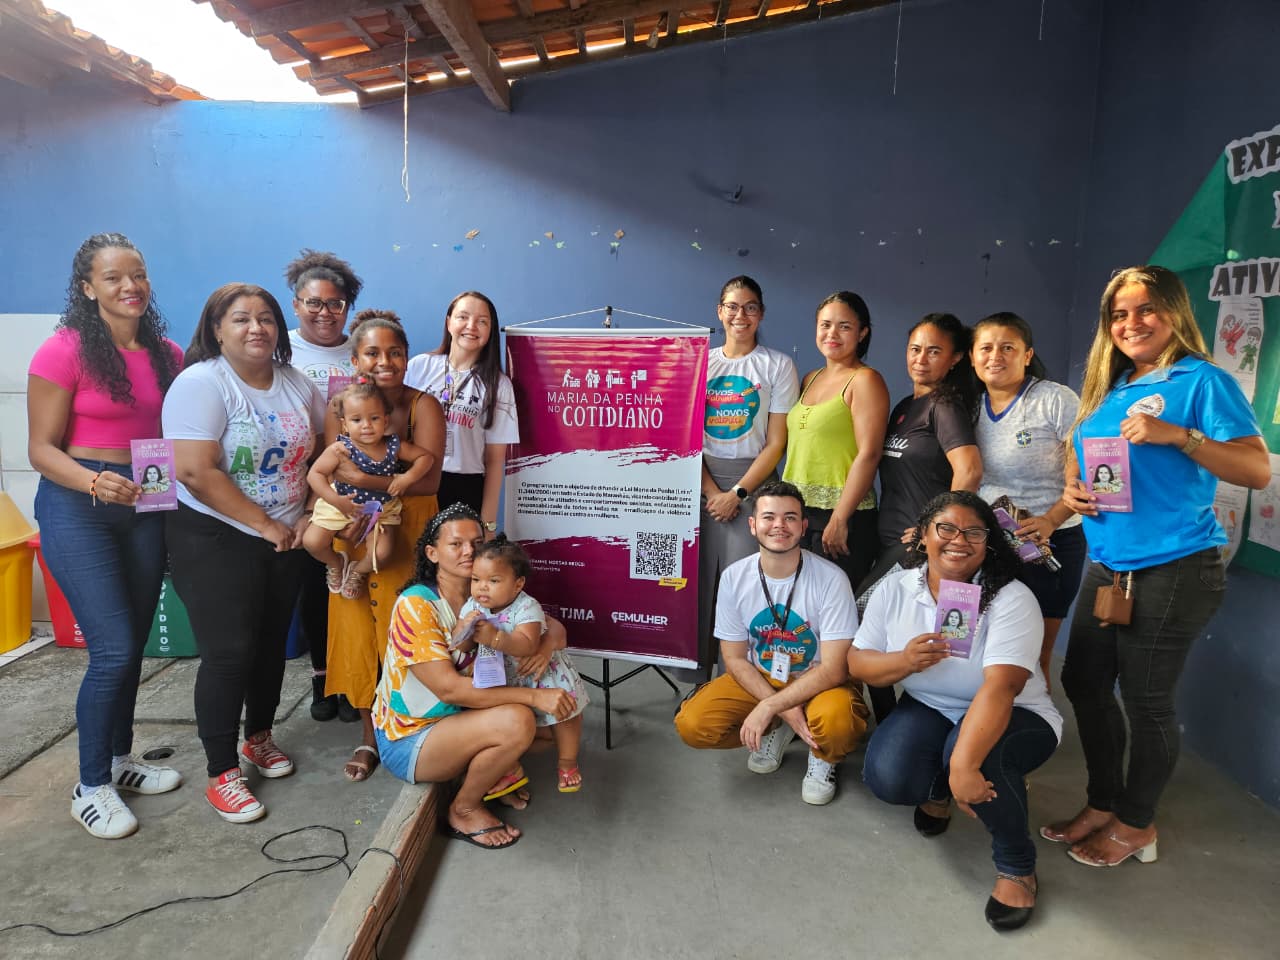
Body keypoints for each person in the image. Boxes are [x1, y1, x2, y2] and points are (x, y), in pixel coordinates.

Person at [1043, 265, 1268, 867]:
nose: (1132, 323)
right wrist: (1074, 486)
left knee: (1147, 702)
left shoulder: (1202, 380)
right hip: (1109, 564)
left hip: (1174, 567)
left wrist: (1179, 436)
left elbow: (1256, 470)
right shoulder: (1114, 385)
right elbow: (1088, 455)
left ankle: (1136, 822)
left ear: (1174, 311)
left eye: (1146, 309)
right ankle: (1104, 801)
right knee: (1084, 682)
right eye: (1119, 314)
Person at [28, 233, 184, 839]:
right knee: (113, 649)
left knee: (133, 643)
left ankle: (119, 760)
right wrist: (94, 481)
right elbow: (41, 450)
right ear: (88, 288)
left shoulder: (166, 353)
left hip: (145, 502)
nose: (130, 286)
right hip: (79, 505)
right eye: (114, 277)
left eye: (137, 274)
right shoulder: (62, 350)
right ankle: (90, 786)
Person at [852, 492, 1062, 931]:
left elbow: (1002, 687)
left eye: (974, 532)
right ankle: (940, 790)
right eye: (945, 528)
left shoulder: (1011, 597)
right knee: (887, 776)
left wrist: (964, 766)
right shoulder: (895, 587)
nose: (959, 540)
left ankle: (1016, 865)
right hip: (930, 705)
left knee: (978, 758)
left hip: (1017, 712)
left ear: (989, 543)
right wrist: (904, 662)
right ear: (922, 536)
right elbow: (858, 662)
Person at [163, 283, 326, 823]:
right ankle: (221, 772)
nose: (256, 328)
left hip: (286, 535)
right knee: (229, 652)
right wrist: (263, 524)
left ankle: (258, 737)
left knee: (269, 645)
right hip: (215, 536)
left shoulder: (296, 382)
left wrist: (308, 513)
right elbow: (194, 470)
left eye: (266, 318)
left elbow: (326, 448)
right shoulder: (201, 383)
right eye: (240, 318)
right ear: (216, 329)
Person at [372, 505, 577, 848]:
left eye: (477, 542)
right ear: (432, 553)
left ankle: (491, 773)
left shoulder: (484, 591)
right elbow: (450, 690)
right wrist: (534, 696)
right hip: (412, 736)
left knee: (553, 729)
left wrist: (541, 648)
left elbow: (553, 627)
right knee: (519, 720)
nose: (469, 551)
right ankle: (464, 809)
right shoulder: (416, 605)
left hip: (462, 719)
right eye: (456, 544)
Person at [674, 481, 868, 806]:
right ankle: (780, 725)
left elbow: (835, 669)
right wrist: (780, 706)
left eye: (790, 517)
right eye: (769, 517)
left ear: (803, 526)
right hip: (763, 674)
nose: (779, 525)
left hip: (819, 679)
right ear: (753, 525)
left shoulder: (831, 579)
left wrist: (769, 706)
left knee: (838, 723)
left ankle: (823, 756)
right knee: (694, 725)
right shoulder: (734, 577)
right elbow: (735, 659)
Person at [326, 312, 446, 782]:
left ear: (407, 357)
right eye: (372, 353)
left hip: (408, 529)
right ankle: (368, 735)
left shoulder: (423, 406)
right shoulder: (339, 405)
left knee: (408, 631)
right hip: (355, 524)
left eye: (395, 352)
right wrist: (348, 496)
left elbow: (429, 480)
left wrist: (364, 478)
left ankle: (413, 728)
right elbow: (330, 470)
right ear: (356, 360)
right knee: (358, 631)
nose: (385, 362)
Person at [971, 312, 1085, 687]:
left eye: (1008, 347)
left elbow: (1088, 469)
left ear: (1027, 354)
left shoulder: (1054, 399)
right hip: (989, 544)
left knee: (1033, 659)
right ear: (972, 356)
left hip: (1049, 543)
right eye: (986, 348)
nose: (995, 356)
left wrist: (1051, 520)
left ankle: (1033, 722)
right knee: (980, 650)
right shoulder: (970, 407)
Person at [699, 276, 799, 676]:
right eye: (732, 306)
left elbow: (776, 443)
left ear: (761, 313)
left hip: (753, 485)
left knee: (745, 585)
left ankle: (738, 680)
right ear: (719, 311)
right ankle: (699, 680)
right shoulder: (701, 363)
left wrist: (737, 494)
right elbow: (684, 438)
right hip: (702, 482)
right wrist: (712, 492)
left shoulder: (778, 365)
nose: (741, 315)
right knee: (699, 586)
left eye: (750, 307)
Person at [284, 250, 362, 722]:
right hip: (298, 485)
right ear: (296, 304)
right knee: (314, 585)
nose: (325, 312)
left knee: (350, 582)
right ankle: (321, 676)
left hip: (351, 486)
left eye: (335, 303)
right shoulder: (283, 350)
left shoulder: (361, 350)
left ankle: (351, 678)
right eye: (314, 302)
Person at [860, 313, 982, 599]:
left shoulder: (944, 405)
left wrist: (938, 529)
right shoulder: (905, 407)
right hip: (890, 543)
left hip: (917, 548)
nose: (921, 359)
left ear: (955, 358)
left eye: (934, 351)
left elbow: (970, 471)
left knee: (859, 610)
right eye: (915, 349)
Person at [455, 537, 590, 792]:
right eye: (476, 579)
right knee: (508, 724)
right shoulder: (472, 606)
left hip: (541, 674)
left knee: (566, 715)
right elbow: (460, 647)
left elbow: (527, 645)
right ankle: (509, 766)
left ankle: (567, 762)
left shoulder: (527, 606)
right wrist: (464, 629)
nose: (482, 587)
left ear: (518, 584)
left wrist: (494, 638)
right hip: (504, 677)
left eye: (494, 581)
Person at [303, 381, 436, 598]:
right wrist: (336, 500)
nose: (366, 426)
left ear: (386, 420)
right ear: (345, 425)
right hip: (342, 503)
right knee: (312, 542)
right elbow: (314, 475)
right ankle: (336, 563)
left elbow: (426, 458)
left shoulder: (393, 446)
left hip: (381, 509)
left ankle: (358, 570)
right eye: (357, 420)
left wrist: (407, 478)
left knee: (382, 554)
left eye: (374, 418)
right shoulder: (340, 448)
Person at [405, 292, 518, 532]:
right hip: (415, 477)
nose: (471, 326)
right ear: (449, 322)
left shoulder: (499, 385)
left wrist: (488, 524)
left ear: (491, 330)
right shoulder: (419, 366)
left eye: (482, 321)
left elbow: (495, 461)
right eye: (463, 317)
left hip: (465, 486)